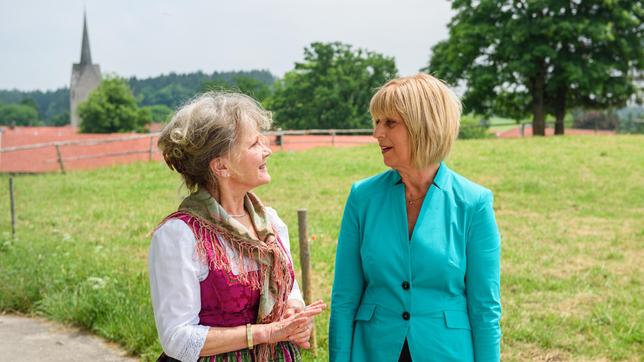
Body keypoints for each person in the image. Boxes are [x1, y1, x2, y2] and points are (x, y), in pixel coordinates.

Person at [329, 73, 501, 361]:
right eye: (377, 122)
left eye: (390, 123)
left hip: (447, 352)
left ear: (424, 126)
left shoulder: (474, 203)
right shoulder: (363, 197)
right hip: (373, 350)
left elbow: (485, 308)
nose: (377, 133)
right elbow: (344, 299)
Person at [149, 92, 326, 362]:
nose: (267, 150)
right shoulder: (181, 236)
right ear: (221, 166)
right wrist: (266, 333)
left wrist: (294, 313)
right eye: (254, 144)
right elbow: (177, 340)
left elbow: (290, 290)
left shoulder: (271, 224)